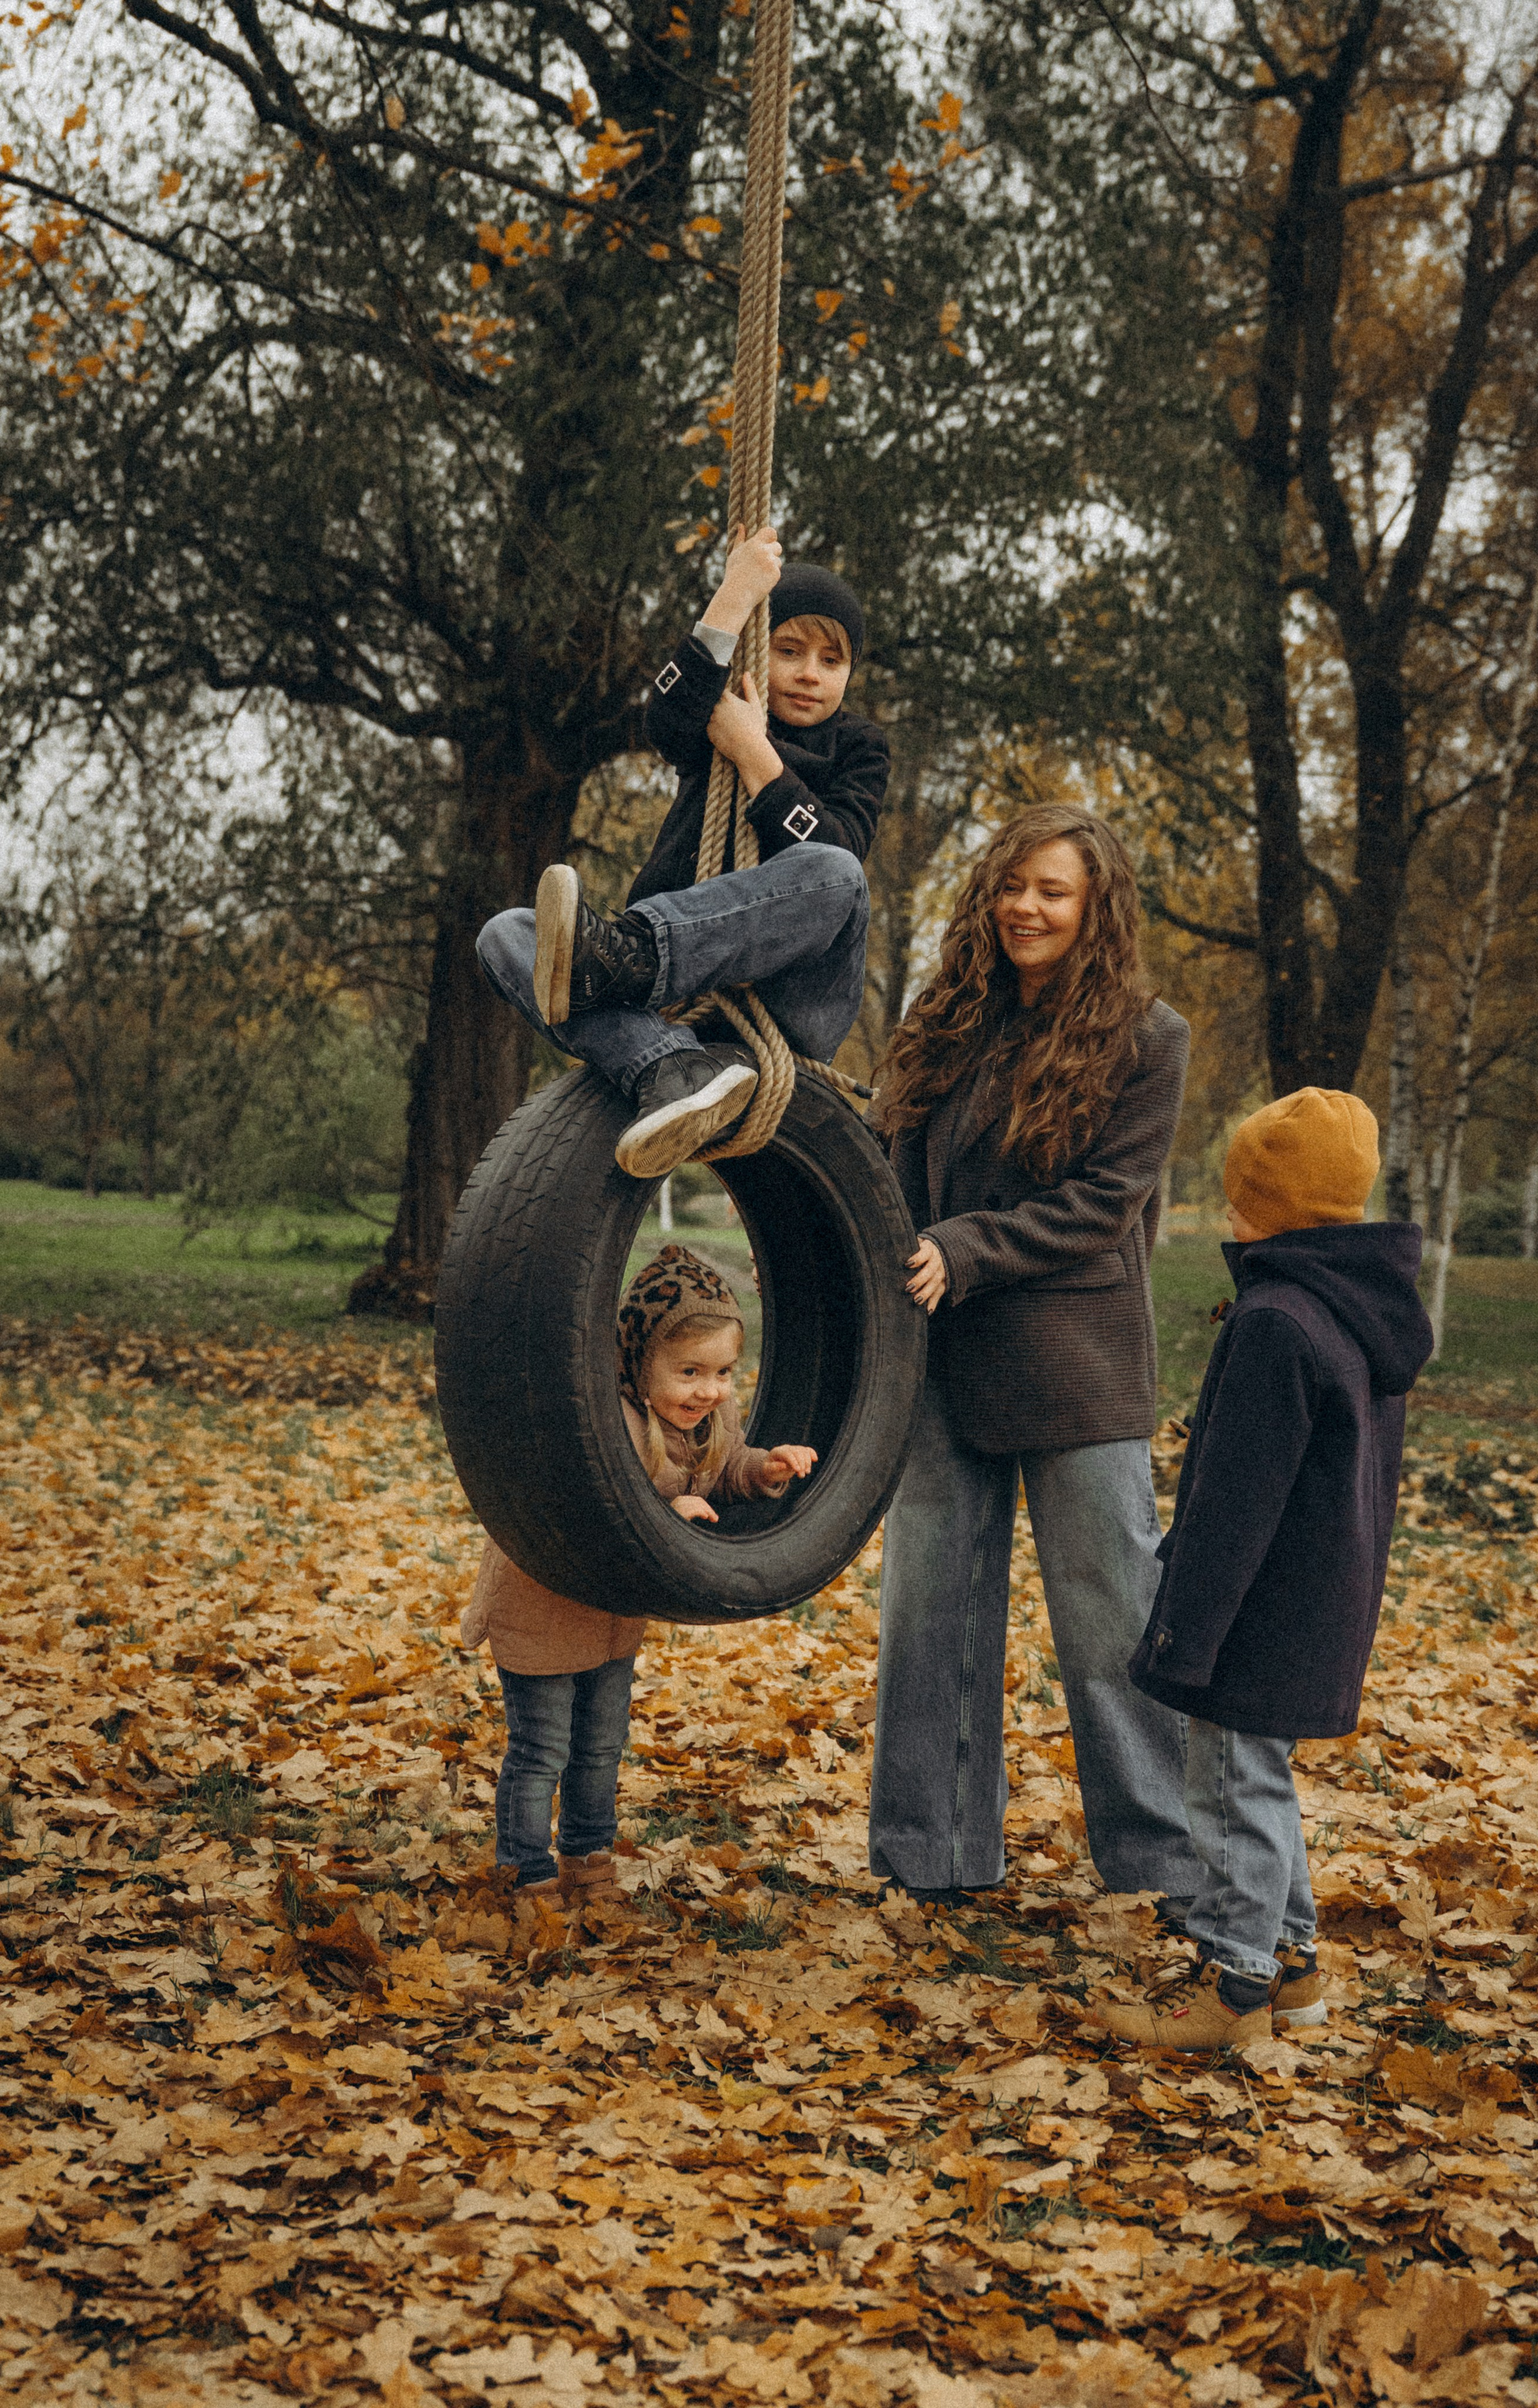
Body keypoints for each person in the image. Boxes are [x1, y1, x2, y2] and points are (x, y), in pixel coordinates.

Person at [868, 803, 1200, 1911]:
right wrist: (846, 1251)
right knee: (930, 1618)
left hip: (1075, 1365)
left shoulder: (1150, 1038)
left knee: (1111, 1624)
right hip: (937, 1361)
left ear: (1095, 906)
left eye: (1053, 891)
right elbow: (885, 1162)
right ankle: (932, 1857)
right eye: (1014, 886)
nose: (1027, 908)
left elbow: (1106, 1206)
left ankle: (1158, 1866)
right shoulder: (944, 1015)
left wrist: (962, 1249)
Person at [1100, 1089, 1433, 2049]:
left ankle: (1236, 1986)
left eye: (1242, 1192)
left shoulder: (1278, 1321)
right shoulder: (1359, 1311)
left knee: (1231, 1787)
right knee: (1262, 1780)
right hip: (1318, 1601)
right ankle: (1292, 1964)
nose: (1230, 1211)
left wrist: (1184, 1627)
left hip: (1256, 1606)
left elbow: (1234, 1503)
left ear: (1271, 1205)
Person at [477, 527, 889, 1178]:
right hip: (672, 1008)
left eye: (832, 661)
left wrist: (754, 753)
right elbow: (665, 717)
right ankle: (666, 1066)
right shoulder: (720, 707)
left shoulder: (859, 745)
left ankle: (634, 957)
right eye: (789, 650)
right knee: (504, 934)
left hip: (790, 1003)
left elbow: (837, 851)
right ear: (763, 652)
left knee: (836, 873)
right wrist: (734, 596)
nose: (811, 673)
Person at [459, 1244, 815, 1904]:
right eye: (687, 1371)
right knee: (541, 1750)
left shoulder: (709, 1417)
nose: (707, 1389)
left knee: (599, 1746)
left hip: (615, 1615)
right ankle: (525, 1872)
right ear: (637, 1360)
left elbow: (724, 1469)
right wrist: (662, 1511)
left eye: (723, 1372)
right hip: (543, 1602)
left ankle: (588, 1862)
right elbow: (590, 1504)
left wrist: (764, 1469)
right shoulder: (602, 1422)